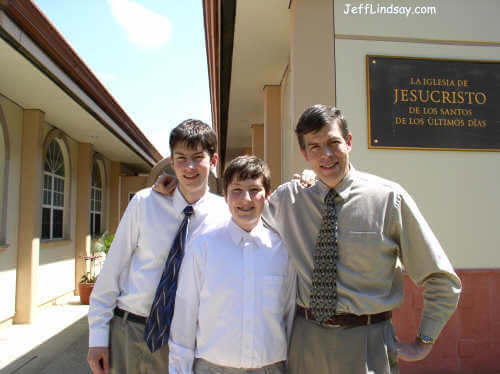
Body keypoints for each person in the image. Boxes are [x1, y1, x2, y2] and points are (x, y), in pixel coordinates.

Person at [154, 105, 461, 373]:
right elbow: (240, 211)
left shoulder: (388, 200)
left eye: (333, 143)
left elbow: (441, 279)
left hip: (367, 343)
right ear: (304, 152)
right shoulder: (290, 199)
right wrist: (179, 192)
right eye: (314, 147)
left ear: (349, 142)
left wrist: (424, 341)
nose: (325, 154)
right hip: (305, 343)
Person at [87, 119, 230, 374]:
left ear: (214, 160)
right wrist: (97, 337)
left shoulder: (226, 214)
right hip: (132, 332)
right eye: (181, 158)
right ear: (172, 162)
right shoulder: (144, 203)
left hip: (191, 340)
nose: (189, 167)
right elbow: (111, 271)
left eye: (198, 157)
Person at [168, 155, 296, 374]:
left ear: (267, 196)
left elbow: (290, 313)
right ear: (225, 196)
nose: (245, 199)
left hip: (270, 367)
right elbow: (185, 315)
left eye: (254, 190)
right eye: (236, 190)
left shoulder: (283, 251)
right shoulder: (202, 248)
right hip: (212, 368)